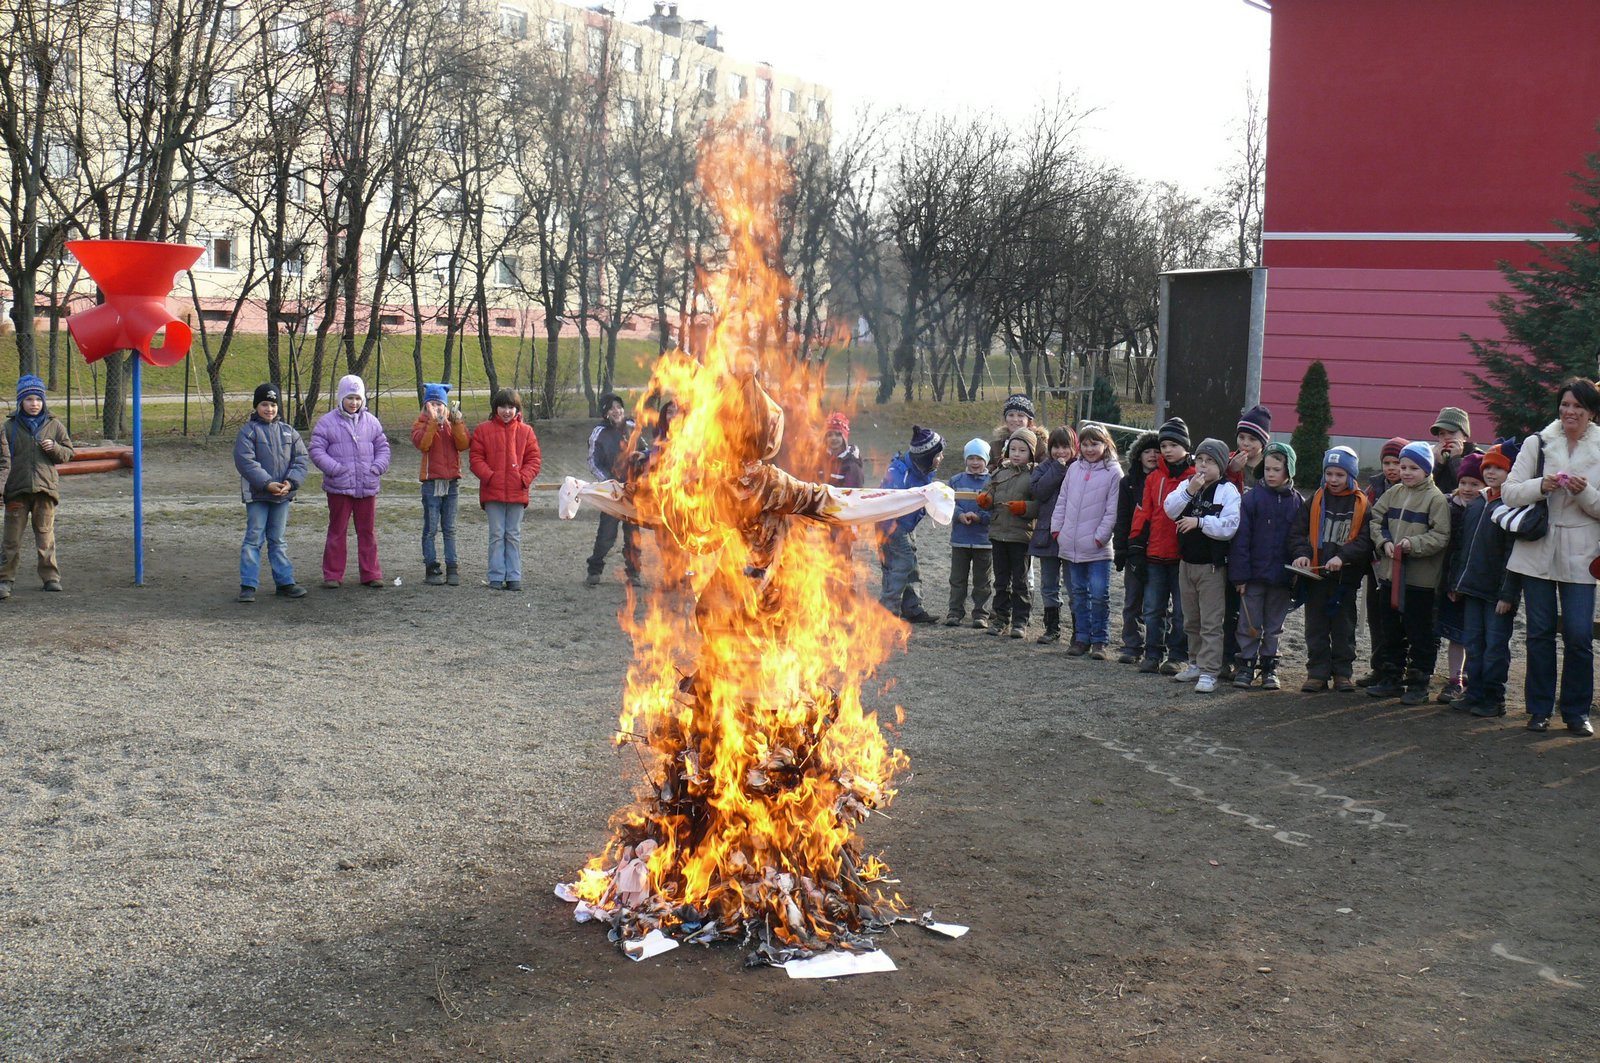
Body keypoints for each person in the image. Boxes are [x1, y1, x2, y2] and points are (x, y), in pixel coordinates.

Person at [1501, 378, 1600, 735]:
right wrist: (1540, 486)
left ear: (1591, 412)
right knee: (1539, 632)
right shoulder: (1537, 443)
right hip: (1536, 549)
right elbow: (1509, 493)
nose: (1570, 412)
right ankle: (1539, 709)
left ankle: (1576, 712)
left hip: (1582, 553)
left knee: (1578, 634)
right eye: (1565, 405)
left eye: (1578, 407)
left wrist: (1586, 492)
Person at [1367, 442, 1450, 705]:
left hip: (1420, 581)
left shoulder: (1436, 499)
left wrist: (1413, 546)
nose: (1406, 472)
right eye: (1403, 467)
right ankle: (1391, 678)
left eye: (1413, 467)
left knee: (1420, 632)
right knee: (1391, 629)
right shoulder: (1393, 494)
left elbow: (1440, 535)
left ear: (1426, 470)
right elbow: (1375, 520)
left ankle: (1418, 683)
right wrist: (1383, 542)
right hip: (1391, 576)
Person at [1290, 446, 1372, 693]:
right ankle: (1317, 672)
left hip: (1344, 580)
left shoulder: (1362, 504)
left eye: (1340, 474)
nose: (1333, 480)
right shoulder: (1314, 500)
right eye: (1329, 474)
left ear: (1351, 475)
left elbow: (1365, 541)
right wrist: (1302, 555)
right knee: (1315, 627)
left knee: (1344, 628)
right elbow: (1297, 533)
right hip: (1315, 578)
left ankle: (1342, 673)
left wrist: (1342, 557)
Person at [1448, 441, 1520, 718]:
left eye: (1498, 468)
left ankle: (1494, 697)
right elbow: (1462, 546)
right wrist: (1457, 582)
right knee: (1474, 645)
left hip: (1497, 594)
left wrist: (1508, 594)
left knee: (1495, 647)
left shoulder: (1511, 505)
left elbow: (1513, 555)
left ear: (1510, 471)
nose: (1490, 472)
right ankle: (1474, 693)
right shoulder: (1477, 503)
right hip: (1472, 589)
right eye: (1487, 466)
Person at [1162, 438, 1241, 692]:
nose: (1203, 467)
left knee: (1210, 621)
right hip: (1186, 563)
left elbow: (1229, 526)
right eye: (1199, 461)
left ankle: (1209, 670)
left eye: (1209, 462)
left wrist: (1200, 523)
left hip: (1212, 567)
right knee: (1190, 620)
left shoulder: (1228, 490)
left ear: (1220, 465)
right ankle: (1194, 663)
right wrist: (1189, 492)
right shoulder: (1189, 484)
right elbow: (1170, 509)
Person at [1228, 442, 1301, 690]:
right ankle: (1246, 664)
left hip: (1282, 578)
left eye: (1276, 469)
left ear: (1288, 471)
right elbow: (1241, 540)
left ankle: (1269, 666)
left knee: (1274, 626)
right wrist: (1239, 576)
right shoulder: (1252, 499)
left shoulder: (1297, 502)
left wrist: (1295, 575)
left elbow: (1300, 539)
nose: (1270, 473)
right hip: (1253, 576)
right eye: (1267, 468)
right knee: (1249, 624)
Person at [310, 374, 390, 589]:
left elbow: (383, 448)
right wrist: (335, 469)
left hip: (367, 486)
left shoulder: (372, 422)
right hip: (339, 487)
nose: (354, 403)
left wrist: (376, 468)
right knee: (337, 530)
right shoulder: (327, 422)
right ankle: (333, 574)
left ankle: (371, 572)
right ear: (341, 398)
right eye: (349, 398)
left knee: (367, 531)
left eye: (357, 398)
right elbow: (316, 450)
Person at [232, 383, 309, 603]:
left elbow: (301, 459)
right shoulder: (248, 432)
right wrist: (267, 483)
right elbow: (245, 461)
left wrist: (291, 482)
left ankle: (285, 582)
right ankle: (248, 584)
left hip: (282, 496)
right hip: (257, 495)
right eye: (264, 404)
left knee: (278, 539)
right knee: (253, 538)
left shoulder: (289, 431)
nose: (269, 409)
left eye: (273, 405)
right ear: (257, 406)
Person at [0, 374, 75, 597]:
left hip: (45, 491)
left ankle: (51, 577)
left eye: (38, 399)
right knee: (11, 539)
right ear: (20, 401)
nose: (34, 404)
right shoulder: (8, 427)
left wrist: (54, 448)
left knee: (45, 536)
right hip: (16, 491)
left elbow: (68, 454)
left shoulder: (54, 425)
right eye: (29, 399)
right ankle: (5, 580)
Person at [1131, 416, 1195, 675]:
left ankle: (1177, 655)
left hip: (1182, 557)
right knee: (1153, 609)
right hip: (1155, 554)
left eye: (1172, 445)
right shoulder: (1153, 478)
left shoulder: (1195, 476)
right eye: (1164, 445)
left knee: (1181, 612)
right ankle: (1153, 653)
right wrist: (1135, 545)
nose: (1167, 450)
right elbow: (1143, 513)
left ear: (1185, 446)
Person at [1051, 423, 1121, 659]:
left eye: (1096, 443)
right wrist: (1057, 530)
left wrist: (1100, 537)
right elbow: (1062, 500)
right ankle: (1082, 637)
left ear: (1106, 444)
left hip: (1097, 548)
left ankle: (1100, 640)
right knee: (1078, 593)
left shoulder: (1113, 472)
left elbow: (1112, 510)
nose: (1091, 449)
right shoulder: (1074, 469)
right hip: (1070, 544)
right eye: (1087, 444)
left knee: (1099, 594)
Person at [469, 388, 542, 591]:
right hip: (493, 492)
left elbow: (534, 460)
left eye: (511, 407)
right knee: (496, 534)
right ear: (496, 408)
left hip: (517, 492)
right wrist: (490, 477)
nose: (507, 411)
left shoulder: (526, 431)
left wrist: (523, 478)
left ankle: (513, 576)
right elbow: (475, 459)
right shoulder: (483, 430)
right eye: (503, 406)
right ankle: (496, 575)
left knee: (513, 534)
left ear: (517, 409)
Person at [877, 424, 944, 624]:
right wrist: (890, 533)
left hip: (906, 524)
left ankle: (912, 607)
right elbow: (885, 505)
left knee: (911, 565)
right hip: (890, 526)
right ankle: (886, 610)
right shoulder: (899, 475)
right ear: (926, 457)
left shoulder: (921, 469)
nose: (941, 458)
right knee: (900, 563)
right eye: (938, 455)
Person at [1357, 437, 1409, 686]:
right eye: (1387, 462)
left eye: (1397, 462)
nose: (1392, 468)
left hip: (1403, 563)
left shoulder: (1412, 487)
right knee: (1376, 618)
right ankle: (1379, 668)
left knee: (1399, 620)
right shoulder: (1374, 487)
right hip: (1376, 564)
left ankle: (1398, 670)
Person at [1434, 453, 1485, 702]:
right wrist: (1452, 582)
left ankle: (1472, 679)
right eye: (1463, 482)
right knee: (1455, 634)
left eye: (1474, 484)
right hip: (1451, 580)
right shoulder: (1448, 505)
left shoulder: (1487, 509)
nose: (1467, 488)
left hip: (1476, 583)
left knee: (1474, 635)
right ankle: (1456, 680)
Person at [410, 382, 470, 586]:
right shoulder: (420, 425)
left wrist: (459, 423)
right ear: (426, 406)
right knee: (430, 528)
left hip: (451, 483)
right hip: (431, 483)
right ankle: (431, 566)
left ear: (446, 405)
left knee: (450, 527)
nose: (436, 408)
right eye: (432, 404)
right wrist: (433, 423)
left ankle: (452, 567)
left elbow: (463, 444)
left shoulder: (453, 425)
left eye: (439, 404)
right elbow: (423, 444)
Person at [981, 429, 1039, 638]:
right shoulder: (999, 473)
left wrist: (1024, 508)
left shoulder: (1034, 476)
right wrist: (985, 500)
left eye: (1022, 450)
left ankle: (1020, 621)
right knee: (1001, 580)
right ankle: (1001, 619)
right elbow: (989, 492)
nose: (1016, 453)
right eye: (1013, 449)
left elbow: (1039, 504)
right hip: (998, 533)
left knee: (1021, 581)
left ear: (1031, 453)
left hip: (1021, 536)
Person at [1112, 431, 1160, 663]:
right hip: (1134, 547)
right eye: (1147, 451)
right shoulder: (1129, 483)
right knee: (1132, 600)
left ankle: (1156, 645)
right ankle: (1132, 645)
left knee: (1157, 602)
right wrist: (1120, 548)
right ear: (1138, 456)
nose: (1152, 455)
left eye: (1156, 450)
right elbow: (1122, 518)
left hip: (1160, 548)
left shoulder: (1167, 480)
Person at [585, 392, 641, 587]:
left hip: (632, 491)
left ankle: (633, 573)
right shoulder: (599, 433)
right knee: (606, 535)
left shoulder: (632, 427)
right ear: (605, 412)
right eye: (611, 408)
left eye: (619, 407)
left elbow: (644, 452)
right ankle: (594, 569)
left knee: (633, 535)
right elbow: (593, 462)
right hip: (612, 492)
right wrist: (609, 483)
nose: (616, 411)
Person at [1028, 426, 1076, 645]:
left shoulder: (1080, 468)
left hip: (1073, 535)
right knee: (1049, 583)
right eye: (1056, 446)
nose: (1060, 451)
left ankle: (1079, 629)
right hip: (1046, 534)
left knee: (1074, 584)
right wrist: (1057, 469)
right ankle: (1052, 626)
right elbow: (1039, 491)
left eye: (1065, 446)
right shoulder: (1043, 468)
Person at [945, 438, 993, 628]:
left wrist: (980, 516)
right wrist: (959, 515)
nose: (975, 462)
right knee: (957, 579)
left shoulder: (992, 482)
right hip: (960, 540)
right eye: (971, 458)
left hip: (983, 541)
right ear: (965, 459)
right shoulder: (955, 481)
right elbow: (948, 504)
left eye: (979, 458)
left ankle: (981, 614)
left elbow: (994, 508)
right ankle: (955, 612)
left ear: (986, 460)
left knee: (982, 581)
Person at [1429, 406, 1479, 494]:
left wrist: (1455, 459)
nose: (1447, 437)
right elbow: (1424, 486)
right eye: (1442, 434)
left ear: (1464, 435)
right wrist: (1438, 464)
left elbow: (1468, 485)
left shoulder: (1476, 456)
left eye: (1452, 432)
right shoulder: (1435, 455)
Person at [989, 393, 1047, 467]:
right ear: (1005, 419)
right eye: (1011, 415)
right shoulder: (995, 446)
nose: (1015, 419)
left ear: (1029, 420)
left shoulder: (1040, 445)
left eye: (1020, 415)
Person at [822, 412, 863, 489]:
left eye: (838, 434)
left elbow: (852, 492)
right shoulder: (819, 460)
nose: (833, 438)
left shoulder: (851, 464)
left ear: (844, 438)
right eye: (830, 435)